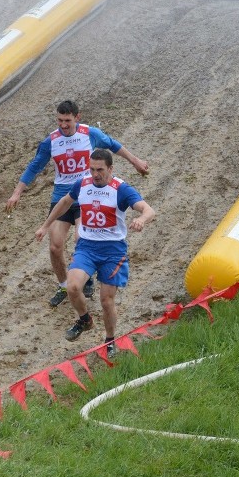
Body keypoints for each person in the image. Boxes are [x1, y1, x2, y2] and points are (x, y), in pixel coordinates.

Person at [6, 100, 149, 308]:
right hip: (62, 196)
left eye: (67, 121)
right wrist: (16, 192)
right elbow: (34, 166)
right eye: (60, 120)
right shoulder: (51, 142)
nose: (63, 125)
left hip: (86, 195)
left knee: (80, 236)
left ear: (77, 118)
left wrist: (135, 161)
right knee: (55, 246)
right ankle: (64, 285)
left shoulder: (89, 133)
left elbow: (113, 145)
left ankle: (85, 275)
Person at [35, 149, 155, 350]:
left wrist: (141, 219)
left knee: (106, 301)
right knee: (72, 287)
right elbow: (64, 202)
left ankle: (110, 341)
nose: (95, 174)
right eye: (92, 169)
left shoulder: (121, 189)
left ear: (110, 169)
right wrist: (46, 225)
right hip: (87, 247)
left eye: (100, 170)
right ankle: (84, 320)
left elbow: (149, 209)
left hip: (113, 251)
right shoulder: (82, 184)